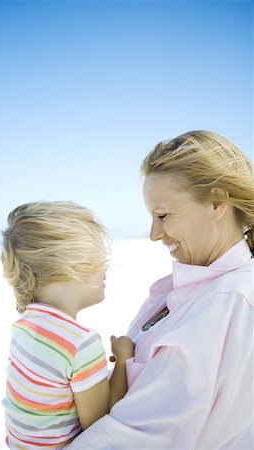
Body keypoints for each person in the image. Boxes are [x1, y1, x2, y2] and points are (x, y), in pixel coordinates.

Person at [67, 130, 254, 449]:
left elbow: (142, 436)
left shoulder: (230, 301)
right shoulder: (192, 288)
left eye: (163, 216)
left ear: (217, 202)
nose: (154, 234)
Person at [1, 201, 135, 449]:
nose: (106, 266)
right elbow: (99, 424)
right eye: (99, 257)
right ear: (72, 265)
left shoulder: (23, 326)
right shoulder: (80, 343)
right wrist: (124, 359)